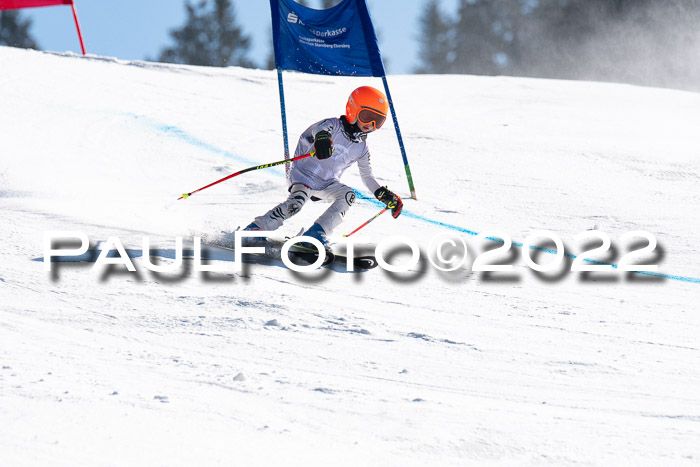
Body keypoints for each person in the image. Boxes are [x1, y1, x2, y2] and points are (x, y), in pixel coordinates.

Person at [240, 86, 403, 250]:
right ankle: (256, 229)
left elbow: (367, 177)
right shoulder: (333, 125)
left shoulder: (362, 148)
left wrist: (383, 194)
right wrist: (322, 139)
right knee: (296, 204)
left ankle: (316, 235)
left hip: (327, 183)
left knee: (348, 195)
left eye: (378, 121)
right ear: (353, 110)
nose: (371, 124)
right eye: (367, 116)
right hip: (302, 175)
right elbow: (320, 130)